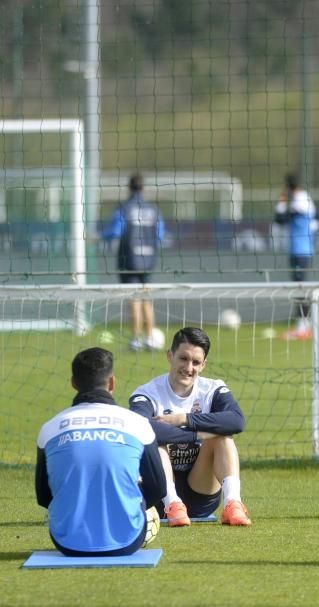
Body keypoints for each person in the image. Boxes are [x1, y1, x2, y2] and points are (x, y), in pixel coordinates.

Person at [35, 347, 167, 556]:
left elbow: (43, 495)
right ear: (112, 382)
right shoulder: (138, 424)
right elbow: (158, 489)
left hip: (66, 543)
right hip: (128, 542)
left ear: (73, 383)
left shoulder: (49, 428)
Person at [128, 327, 251, 527]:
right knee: (154, 442)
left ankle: (233, 504)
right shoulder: (148, 393)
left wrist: (185, 419)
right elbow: (138, 426)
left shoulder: (212, 389)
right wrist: (198, 435)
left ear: (204, 364)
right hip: (160, 498)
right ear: (170, 356)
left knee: (223, 437)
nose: (189, 367)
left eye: (196, 362)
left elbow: (237, 421)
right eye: (183, 359)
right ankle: (174, 505)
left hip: (201, 494)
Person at [101, 173, 165, 352]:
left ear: (129, 188)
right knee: (146, 298)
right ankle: (150, 338)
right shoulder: (154, 210)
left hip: (129, 259)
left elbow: (115, 231)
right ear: (143, 189)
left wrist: (99, 236)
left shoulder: (124, 209)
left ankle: (136, 339)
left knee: (134, 299)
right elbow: (160, 234)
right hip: (148, 259)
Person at [273, 172, 318, 341]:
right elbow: (316, 220)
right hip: (299, 249)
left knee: (300, 287)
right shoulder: (304, 199)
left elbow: (280, 219)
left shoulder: (300, 200)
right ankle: (303, 325)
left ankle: (303, 327)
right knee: (299, 286)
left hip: (300, 251)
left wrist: (282, 203)